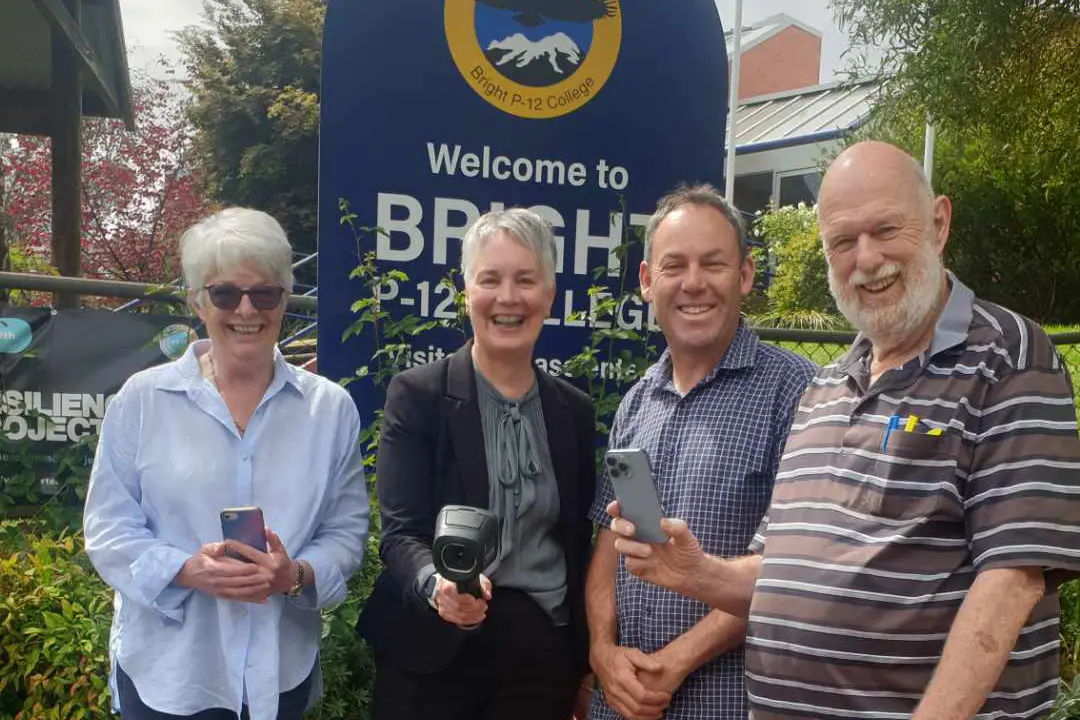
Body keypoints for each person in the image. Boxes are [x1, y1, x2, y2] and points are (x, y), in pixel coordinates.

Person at [607, 141, 1080, 720]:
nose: (867, 258)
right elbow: (779, 572)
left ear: (938, 224)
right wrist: (697, 573)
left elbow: (1013, 580)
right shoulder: (825, 388)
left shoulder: (1008, 357)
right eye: (843, 241)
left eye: (886, 229)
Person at [83, 208, 370, 720]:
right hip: (169, 674)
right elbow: (108, 529)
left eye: (265, 293)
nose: (246, 309)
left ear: (285, 298)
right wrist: (186, 570)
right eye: (224, 294)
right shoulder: (142, 401)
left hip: (279, 673)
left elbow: (347, 533)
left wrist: (296, 575)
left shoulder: (330, 410)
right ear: (197, 300)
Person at [586, 185, 817, 720]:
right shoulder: (636, 403)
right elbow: (608, 542)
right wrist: (601, 651)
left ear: (745, 276)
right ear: (648, 281)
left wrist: (675, 663)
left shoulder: (798, 393)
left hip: (727, 704)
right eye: (675, 266)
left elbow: (793, 566)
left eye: (713, 264)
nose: (694, 283)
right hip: (621, 703)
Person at [356, 208, 597, 720]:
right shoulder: (418, 396)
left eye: (526, 280)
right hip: (434, 655)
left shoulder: (572, 411)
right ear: (467, 291)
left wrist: (584, 661)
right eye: (490, 279)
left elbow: (576, 542)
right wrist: (436, 586)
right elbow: (400, 534)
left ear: (549, 295)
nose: (508, 297)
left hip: (539, 662)